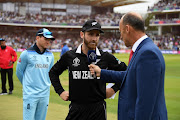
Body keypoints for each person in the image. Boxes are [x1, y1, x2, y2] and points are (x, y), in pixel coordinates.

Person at [89, 12, 168, 120]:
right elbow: (130, 76)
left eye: (120, 32)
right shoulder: (143, 49)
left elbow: (145, 102)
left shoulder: (147, 53)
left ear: (127, 29)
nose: (120, 37)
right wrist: (102, 73)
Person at [49, 19, 127, 120]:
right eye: (90, 34)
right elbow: (53, 72)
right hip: (76, 108)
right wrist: (60, 91)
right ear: (82, 34)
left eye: (97, 35)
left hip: (98, 109)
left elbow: (126, 72)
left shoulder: (105, 57)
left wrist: (113, 89)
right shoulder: (70, 56)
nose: (94, 38)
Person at [16, 28, 55, 120]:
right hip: (30, 95)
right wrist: (27, 86)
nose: (48, 41)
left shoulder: (50, 55)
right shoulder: (26, 54)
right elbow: (19, 72)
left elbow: (49, 73)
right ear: (38, 38)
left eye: (50, 39)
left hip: (45, 94)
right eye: (46, 39)